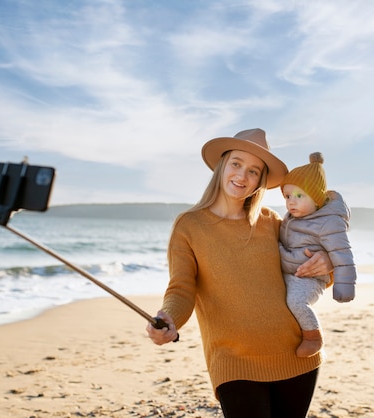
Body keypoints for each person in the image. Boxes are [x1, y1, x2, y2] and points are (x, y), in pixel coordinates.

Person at [146, 129, 334, 418]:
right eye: (236, 163)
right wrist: (169, 317)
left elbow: (307, 259)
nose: (243, 175)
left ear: (260, 180)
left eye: (253, 170)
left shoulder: (272, 222)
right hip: (233, 362)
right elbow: (181, 288)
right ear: (223, 165)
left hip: (296, 355)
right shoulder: (190, 225)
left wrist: (326, 263)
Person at [279, 152, 357, 359]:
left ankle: (313, 336)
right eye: (287, 196)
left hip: (310, 278)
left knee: (296, 302)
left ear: (316, 197)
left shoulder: (329, 222)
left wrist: (344, 287)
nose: (291, 202)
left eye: (298, 195)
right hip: (292, 271)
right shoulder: (292, 219)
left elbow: (342, 254)